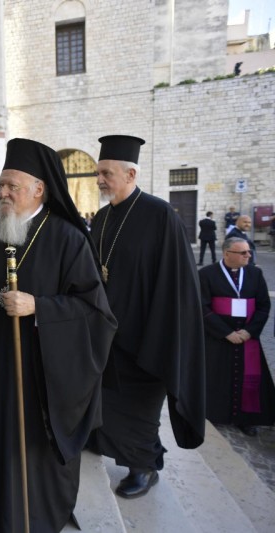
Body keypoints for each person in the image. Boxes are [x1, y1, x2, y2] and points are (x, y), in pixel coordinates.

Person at [0, 138, 116, 532]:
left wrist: (41, 307)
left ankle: (39, 513)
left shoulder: (68, 239)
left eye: (12, 186)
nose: (3, 193)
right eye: (1, 185)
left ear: (39, 189)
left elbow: (97, 313)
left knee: (33, 455)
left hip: (43, 377)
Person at [87, 135, 205, 499]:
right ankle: (118, 447)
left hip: (147, 336)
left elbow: (178, 284)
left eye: (107, 173)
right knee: (108, 402)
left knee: (139, 408)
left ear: (131, 173)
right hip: (108, 334)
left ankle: (144, 466)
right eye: (98, 173)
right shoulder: (103, 218)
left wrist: (159, 337)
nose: (100, 180)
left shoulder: (160, 215)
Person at [200, 237, 275, 437]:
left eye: (248, 252)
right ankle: (215, 414)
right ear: (226, 254)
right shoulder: (206, 274)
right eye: (243, 253)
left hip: (247, 336)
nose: (248, 255)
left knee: (248, 378)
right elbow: (202, 307)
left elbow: (263, 306)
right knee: (217, 377)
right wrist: (226, 333)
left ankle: (246, 419)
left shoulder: (255, 273)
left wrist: (249, 331)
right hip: (218, 337)